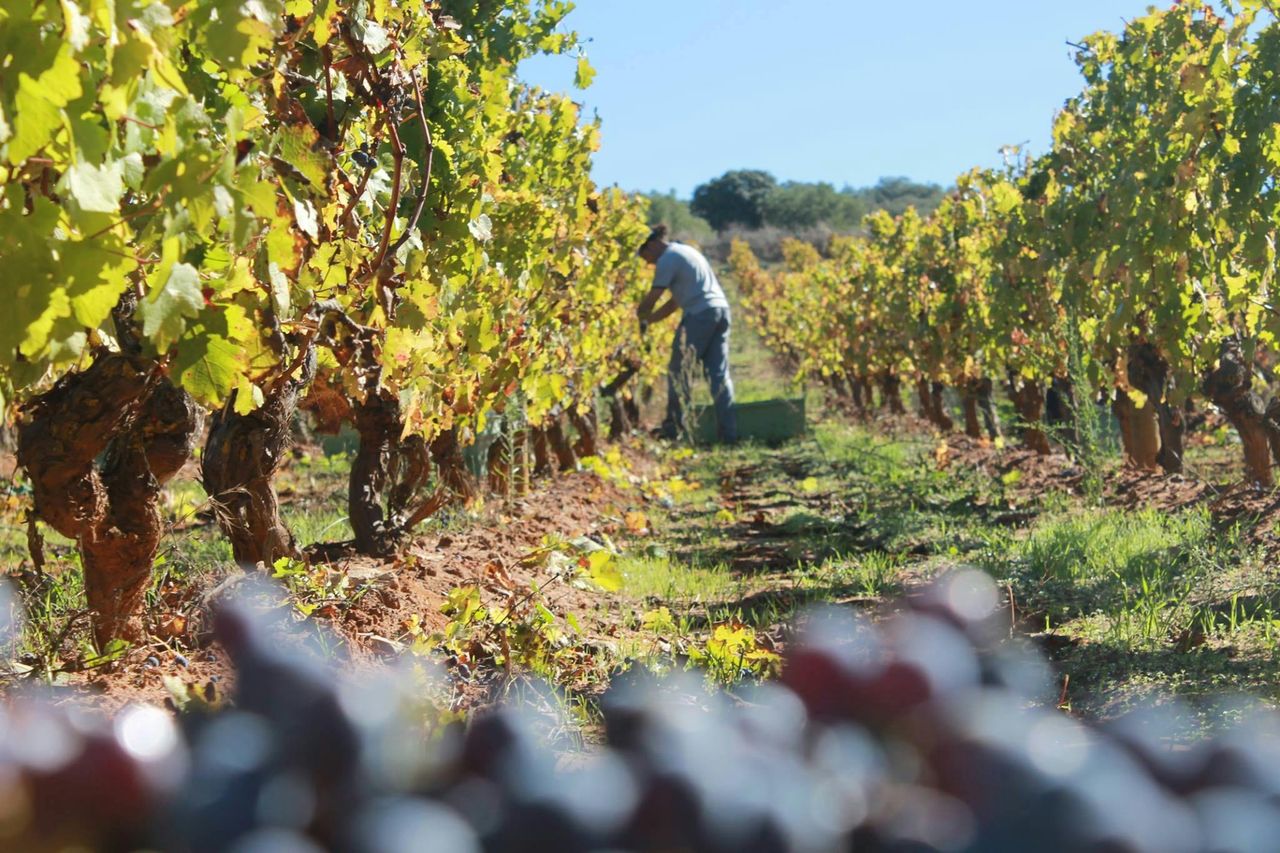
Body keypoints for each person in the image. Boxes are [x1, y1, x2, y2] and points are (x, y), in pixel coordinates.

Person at [636, 225, 738, 443]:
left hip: (699, 315)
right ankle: (728, 434)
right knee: (718, 374)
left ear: (652, 244)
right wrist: (650, 321)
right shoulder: (687, 252)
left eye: (646, 257)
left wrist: (639, 313)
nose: (649, 263)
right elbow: (674, 303)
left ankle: (675, 429)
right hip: (720, 310)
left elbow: (655, 295)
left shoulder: (668, 258)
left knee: (678, 371)